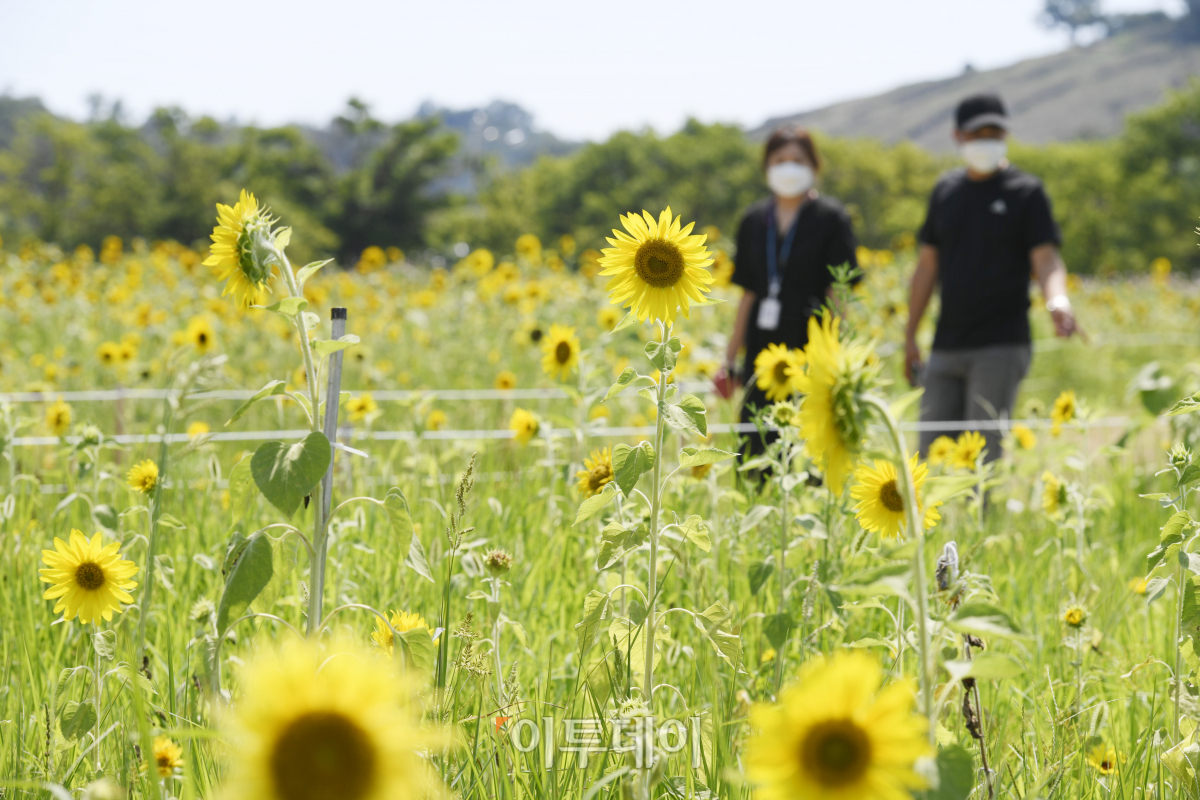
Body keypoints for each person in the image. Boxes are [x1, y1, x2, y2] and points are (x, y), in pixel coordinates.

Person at [904, 92, 1078, 463]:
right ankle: (934, 524)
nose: (986, 140)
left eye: (993, 132)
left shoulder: (1026, 193)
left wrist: (1058, 302)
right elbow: (926, 267)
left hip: (1001, 345)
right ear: (958, 137)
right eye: (977, 133)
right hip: (946, 344)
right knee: (928, 454)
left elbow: (1046, 261)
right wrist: (909, 335)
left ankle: (980, 522)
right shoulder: (945, 192)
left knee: (982, 456)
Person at [721, 125, 859, 460]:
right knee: (754, 454)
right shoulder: (753, 219)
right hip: (760, 353)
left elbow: (838, 293)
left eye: (797, 159)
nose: (788, 167)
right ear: (766, 166)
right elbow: (748, 294)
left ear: (814, 165)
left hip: (812, 348)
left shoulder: (832, 218)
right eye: (780, 159)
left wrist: (836, 358)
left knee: (809, 453)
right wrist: (728, 360)